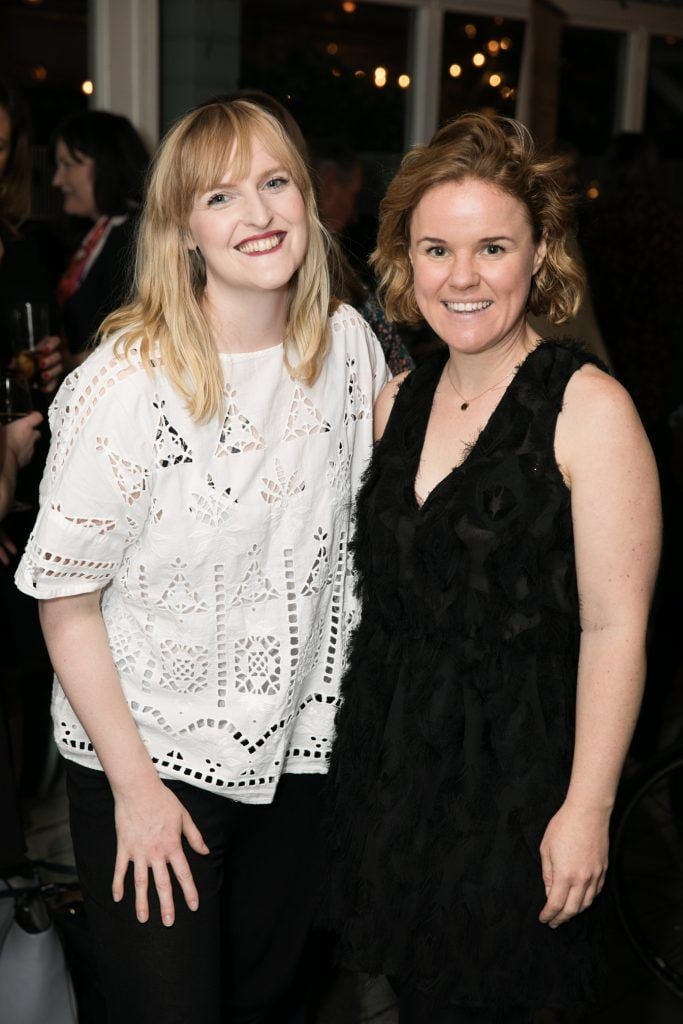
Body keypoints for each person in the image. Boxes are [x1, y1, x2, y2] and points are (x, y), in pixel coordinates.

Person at [15, 98, 386, 1024]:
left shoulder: (346, 345)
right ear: (183, 226)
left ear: (308, 198)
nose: (257, 215)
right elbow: (65, 603)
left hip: (301, 750)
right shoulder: (124, 383)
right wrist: (136, 793)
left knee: (270, 1003)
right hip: (151, 756)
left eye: (275, 184)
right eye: (221, 196)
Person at [324, 113, 661, 1022]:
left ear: (540, 250)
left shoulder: (588, 409)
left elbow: (614, 624)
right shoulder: (400, 397)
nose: (461, 277)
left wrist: (585, 807)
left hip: (519, 790)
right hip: (391, 774)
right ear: (405, 254)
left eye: (492, 247)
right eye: (436, 248)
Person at [52, 110, 149, 365]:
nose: (57, 180)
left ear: (106, 163)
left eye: (68, 165)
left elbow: (140, 338)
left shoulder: (136, 237)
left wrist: (68, 362)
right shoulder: (95, 234)